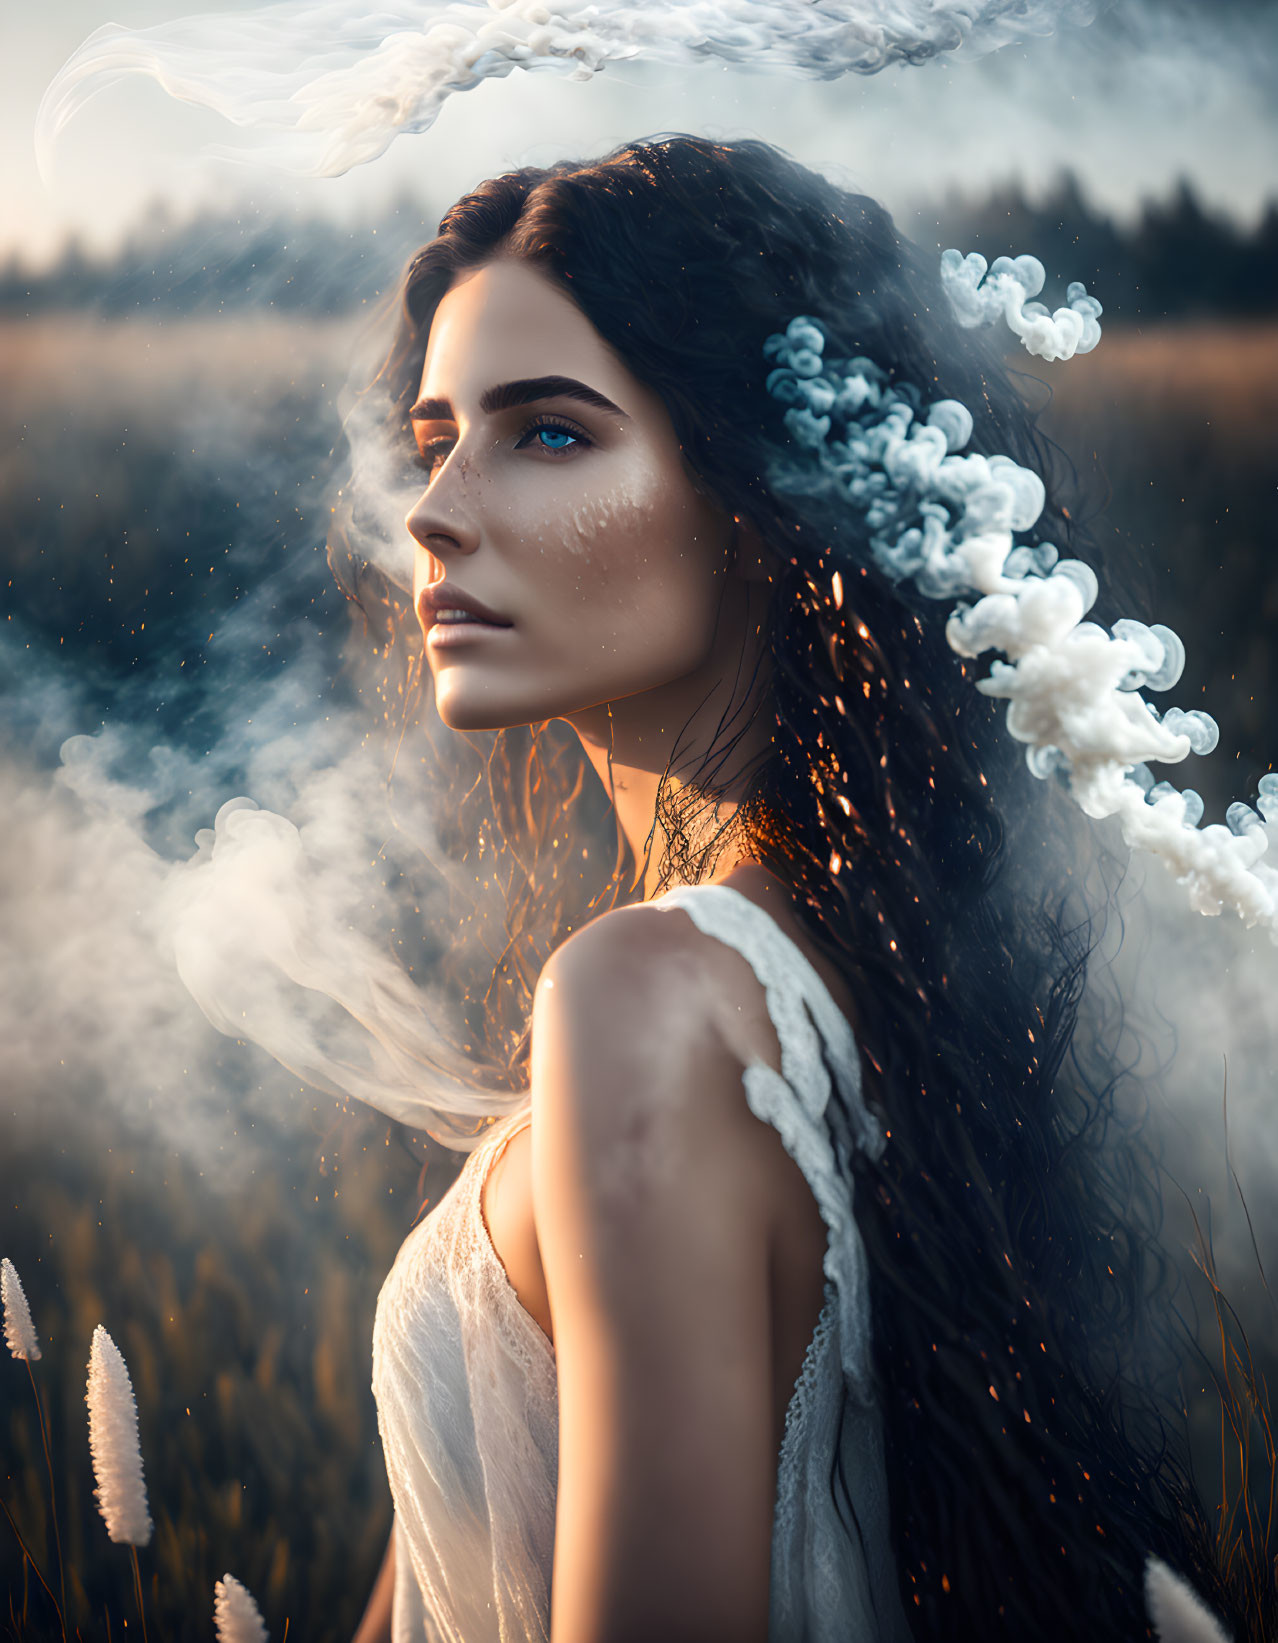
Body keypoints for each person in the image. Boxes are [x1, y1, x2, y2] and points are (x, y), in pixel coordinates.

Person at [342, 136, 1234, 1643]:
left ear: (765, 498)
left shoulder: (649, 998)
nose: (433, 507)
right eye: (436, 435)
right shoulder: (876, 974)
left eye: (547, 434)